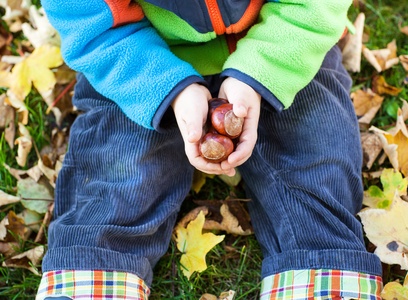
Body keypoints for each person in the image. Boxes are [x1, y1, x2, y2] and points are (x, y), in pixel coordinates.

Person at [36, 0, 383, 299]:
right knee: (120, 167)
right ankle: (93, 271)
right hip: (137, 55)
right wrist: (167, 86)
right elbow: (88, 18)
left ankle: (321, 268)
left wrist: (261, 71)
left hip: (284, 41)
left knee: (314, 155)